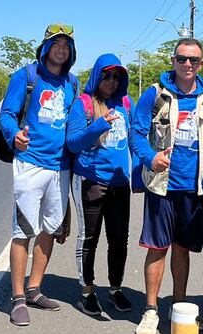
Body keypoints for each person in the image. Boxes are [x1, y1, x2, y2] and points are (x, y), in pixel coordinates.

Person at [129, 38, 203, 334]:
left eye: (193, 60)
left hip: (194, 188)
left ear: (201, 64)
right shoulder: (156, 93)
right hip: (162, 186)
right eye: (182, 59)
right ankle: (151, 310)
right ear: (173, 61)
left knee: (182, 249)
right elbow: (136, 132)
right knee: (157, 248)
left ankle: (178, 306)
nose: (187, 64)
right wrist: (150, 157)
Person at [0, 23, 79, 326]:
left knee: (50, 229)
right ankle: (18, 297)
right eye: (56, 44)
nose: (61, 49)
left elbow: (76, 122)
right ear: (45, 47)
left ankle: (34, 289)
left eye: (66, 45)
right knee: (23, 231)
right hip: (30, 164)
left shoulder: (73, 82)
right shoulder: (27, 76)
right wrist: (14, 135)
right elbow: (8, 114)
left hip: (60, 167)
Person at [66, 53, 135, 316]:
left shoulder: (126, 103)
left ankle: (115, 289)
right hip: (89, 180)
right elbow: (73, 143)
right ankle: (87, 292)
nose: (111, 80)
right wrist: (98, 126)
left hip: (119, 183)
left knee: (119, 239)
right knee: (89, 238)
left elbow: (135, 139)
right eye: (106, 75)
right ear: (97, 75)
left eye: (117, 76)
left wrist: (141, 172)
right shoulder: (83, 104)